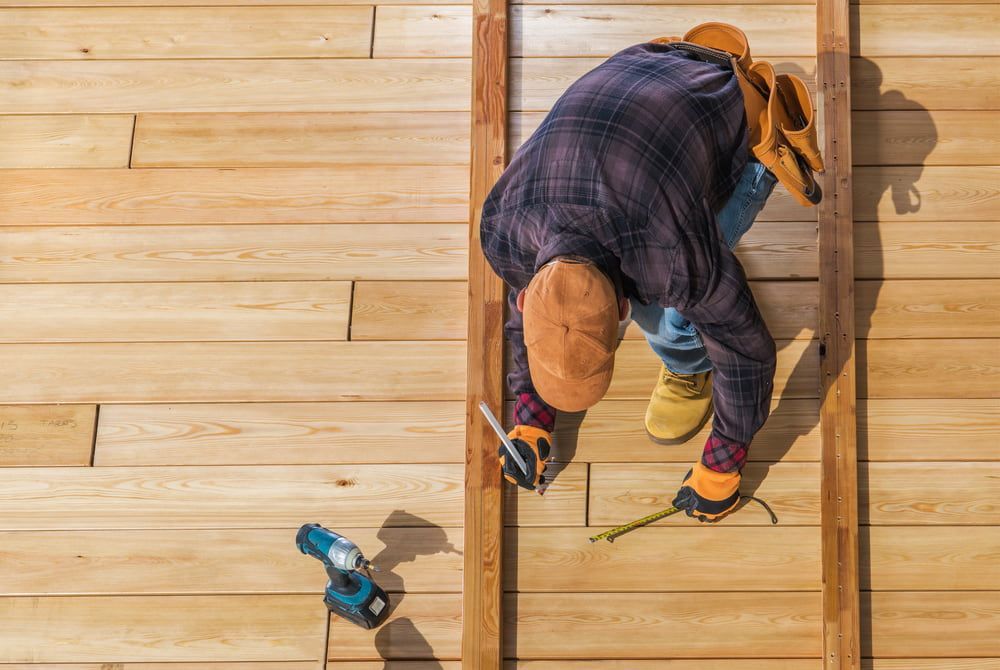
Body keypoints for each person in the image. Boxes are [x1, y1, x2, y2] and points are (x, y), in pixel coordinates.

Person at [481, 36, 818, 522]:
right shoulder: (502, 230)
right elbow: (535, 319)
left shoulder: (668, 253)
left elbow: (746, 349)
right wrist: (530, 416)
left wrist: (724, 462)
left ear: (620, 311)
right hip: (644, 62)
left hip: (729, 106)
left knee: (670, 319)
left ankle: (687, 368)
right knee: (671, 287)